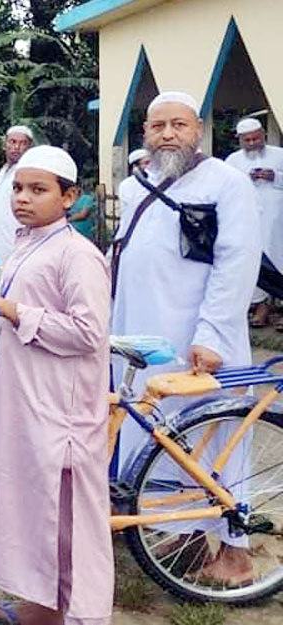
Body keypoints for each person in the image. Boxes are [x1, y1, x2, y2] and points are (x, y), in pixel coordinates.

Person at [111, 92, 261, 586]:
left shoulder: (227, 183)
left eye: (178, 125)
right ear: (145, 133)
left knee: (215, 438)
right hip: (145, 338)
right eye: (158, 126)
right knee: (157, 435)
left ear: (198, 130)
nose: (168, 134)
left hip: (201, 338)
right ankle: (186, 535)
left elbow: (237, 262)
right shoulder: (137, 184)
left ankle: (236, 554)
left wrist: (212, 333)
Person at [0, 146, 113, 625]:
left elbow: (88, 333)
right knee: (33, 512)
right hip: (26, 402)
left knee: (62, 519)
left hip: (58, 410)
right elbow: (20, 305)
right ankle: (41, 606)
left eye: (38, 189)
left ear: (69, 197)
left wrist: (11, 310)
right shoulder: (30, 242)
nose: (23, 198)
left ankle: (73, 614)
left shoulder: (77, 255)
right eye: (19, 188)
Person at [225, 117, 283, 329]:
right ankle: (261, 307)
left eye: (256, 139)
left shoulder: (280, 155)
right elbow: (224, 188)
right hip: (249, 222)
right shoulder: (232, 161)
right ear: (240, 139)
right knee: (255, 263)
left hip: (278, 222)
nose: (252, 143)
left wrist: (275, 177)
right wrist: (244, 179)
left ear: (263, 136)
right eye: (247, 140)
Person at [0, 125, 35, 268]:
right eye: (12, 142)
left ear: (29, 147)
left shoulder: (28, 173)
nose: (16, 147)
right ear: (5, 144)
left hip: (15, 242)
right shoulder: (2, 172)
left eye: (23, 143)